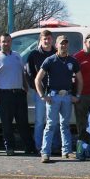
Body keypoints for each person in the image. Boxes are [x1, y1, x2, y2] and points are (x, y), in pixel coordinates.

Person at [35, 35, 83, 163]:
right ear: (56, 45)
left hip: (67, 96)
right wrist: (42, 96)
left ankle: (66, 151)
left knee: (65, 125)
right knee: (50, 125)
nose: (64, 46)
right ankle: (45, 153)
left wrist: (77, 96)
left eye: (66, 43)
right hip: (53, 97)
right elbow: (37, 79)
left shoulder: (73, 61)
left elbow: (80, 79)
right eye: (61, 43)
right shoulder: (50, 60)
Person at [0, 33, 35, 156]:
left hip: (19, 94)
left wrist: (25, 86)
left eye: (8, 41)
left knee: (23, 122)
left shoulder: (18, 56)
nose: (6, 43)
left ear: (11, 42)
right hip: (4, 95)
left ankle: (29, 147)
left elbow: (22, 73)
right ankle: (9, 147)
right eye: (3, 41)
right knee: (7, 123)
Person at [25, 29, 61, 153]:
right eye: (44, 39)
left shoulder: (57, 54)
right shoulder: (34, 55)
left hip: (55, 93)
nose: (46, 41)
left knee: (54, 121)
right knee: (40, 121)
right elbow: (29, 74)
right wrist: (37, 90)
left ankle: (55, 146)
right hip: (40, 93)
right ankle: (38, 146)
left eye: (49, 38)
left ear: (52, 40)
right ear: (41, 40)